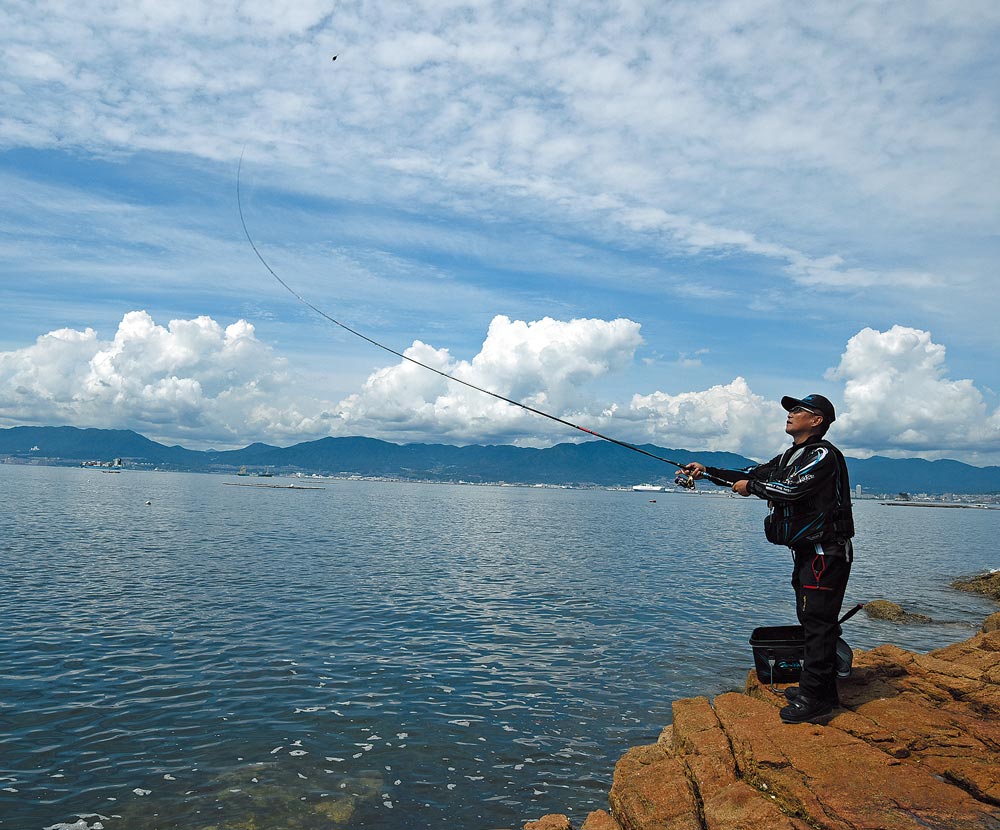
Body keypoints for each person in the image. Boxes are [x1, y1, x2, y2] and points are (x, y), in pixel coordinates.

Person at [682, 394, 855, 724]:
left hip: (825, 553)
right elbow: (753, 472)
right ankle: (821, 688)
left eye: (798, 410)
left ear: (817, 420)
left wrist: (752, 488)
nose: (790, 414)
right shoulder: (793, 454)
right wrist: (708, 471)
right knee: (812, 620)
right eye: (791, 410)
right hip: (809, 552)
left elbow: (789, 489)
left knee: (817, 623)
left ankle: (815, 699)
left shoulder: (822, 454)